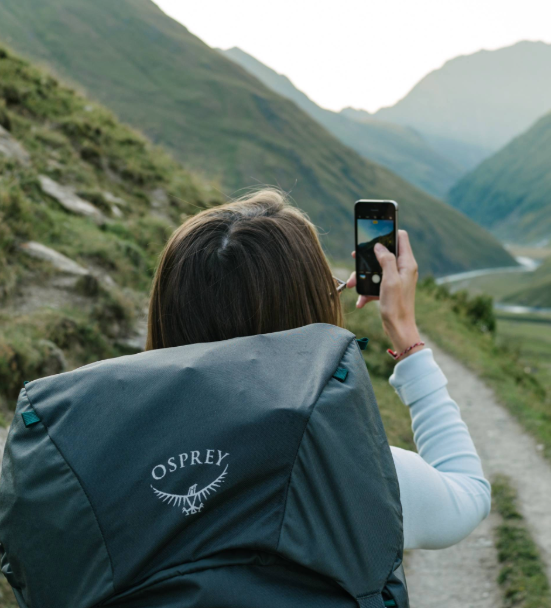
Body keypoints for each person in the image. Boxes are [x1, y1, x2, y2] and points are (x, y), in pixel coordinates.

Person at [147, 188, 490, 550]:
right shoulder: (358, 473)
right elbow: (470, 493)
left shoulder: (114, 461)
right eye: (330, 289)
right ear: (307, 319)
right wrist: (407, 341)